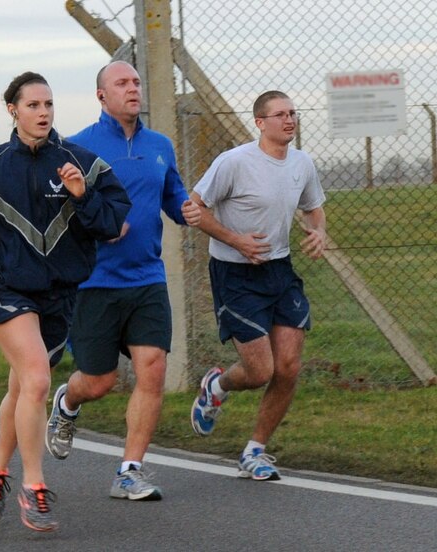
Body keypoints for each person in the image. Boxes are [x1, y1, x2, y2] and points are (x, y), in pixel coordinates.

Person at [0, 71, 130, 532]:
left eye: (49, 105)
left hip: (61, 296)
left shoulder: (82, 163)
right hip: (7, 290)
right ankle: (34, 488)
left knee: (23, 388)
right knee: (39, 380)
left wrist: (82, 196)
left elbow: (113, 223)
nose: (43, 113)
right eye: (33, 105)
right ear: (13, 111)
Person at [44, 60, 201, 501]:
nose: (133, 88)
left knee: (152, 368)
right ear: (101, 96)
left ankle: (130, 471)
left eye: (136, 81)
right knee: (99, 381)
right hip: (94, 282)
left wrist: (186, 208)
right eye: (122, 83)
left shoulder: (160, 145)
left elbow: (173, 196)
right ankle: (67, 403)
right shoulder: (77, 148)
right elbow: (58, 215)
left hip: (147, 278)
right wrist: (99, 225)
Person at [188, 90, 327, 481]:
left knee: (288, 366)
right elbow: (194, 207)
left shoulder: (303, 163)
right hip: (236, 275)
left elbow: (314, 207)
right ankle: (217, 385)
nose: (290, 120)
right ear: (260, 123)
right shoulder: (234, 162)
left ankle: (255, 451)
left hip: (280, 272)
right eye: (280, 114)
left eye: (293, 113)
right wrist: (236, 240)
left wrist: (319, 233)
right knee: (260, 370)